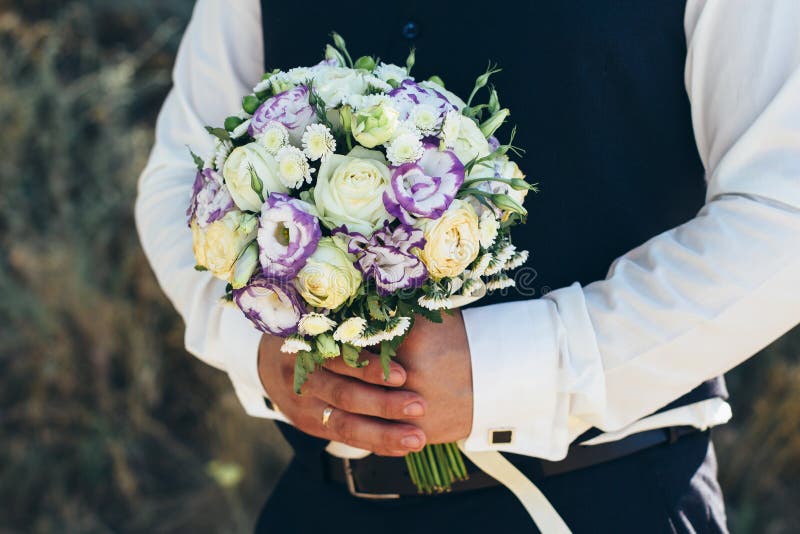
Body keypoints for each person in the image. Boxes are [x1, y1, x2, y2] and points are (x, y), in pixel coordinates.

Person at [136, 0, 800, 532]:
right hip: (326, 504)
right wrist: (259, 342)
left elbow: (783, 212)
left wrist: (518, 364)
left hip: (601, 498)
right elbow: (182, 175)